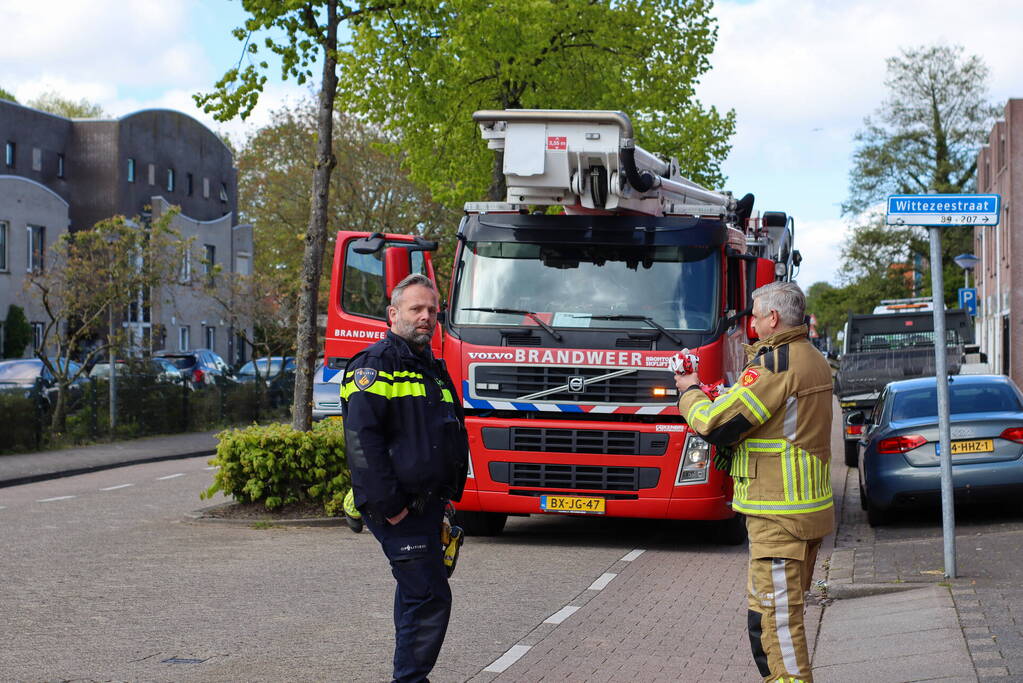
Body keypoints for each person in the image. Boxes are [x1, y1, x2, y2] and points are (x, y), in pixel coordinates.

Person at [674, 281, 834, 683]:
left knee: (775, 624)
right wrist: (729, 393)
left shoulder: (775, 365)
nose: (752, 323)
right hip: (803, 510)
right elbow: (773, 418)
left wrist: (689, 391)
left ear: (773, 319)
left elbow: (716, 425)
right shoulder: (810, 356)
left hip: (778, 514)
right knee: (775, 616)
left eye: (756, 316)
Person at [340, 273, 469, 683]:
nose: (426, 317)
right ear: (393, 314)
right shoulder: (375, 366)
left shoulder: (431, 368)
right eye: (416, 309)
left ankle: (410, 676)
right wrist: (389, 507)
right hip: (400, 509)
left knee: (415, 594)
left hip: (428, 506)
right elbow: (363, 443)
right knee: (429, 595)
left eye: (432, 310)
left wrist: (446, 497)